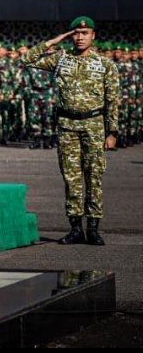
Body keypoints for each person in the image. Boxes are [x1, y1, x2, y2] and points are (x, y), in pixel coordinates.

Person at [21, 16, 119, 246]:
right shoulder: (61, 59)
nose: (80, 37)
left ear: (93, 35)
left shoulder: (105, 64)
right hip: (67, 127)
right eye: (76, 33)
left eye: (85, 33)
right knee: (71, 178)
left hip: (94, 126)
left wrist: (112, 132)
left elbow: (112, 100)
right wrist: (55, 40)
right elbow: (27, 59)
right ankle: (75, 228)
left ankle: (93, 229)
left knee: (94, 177)